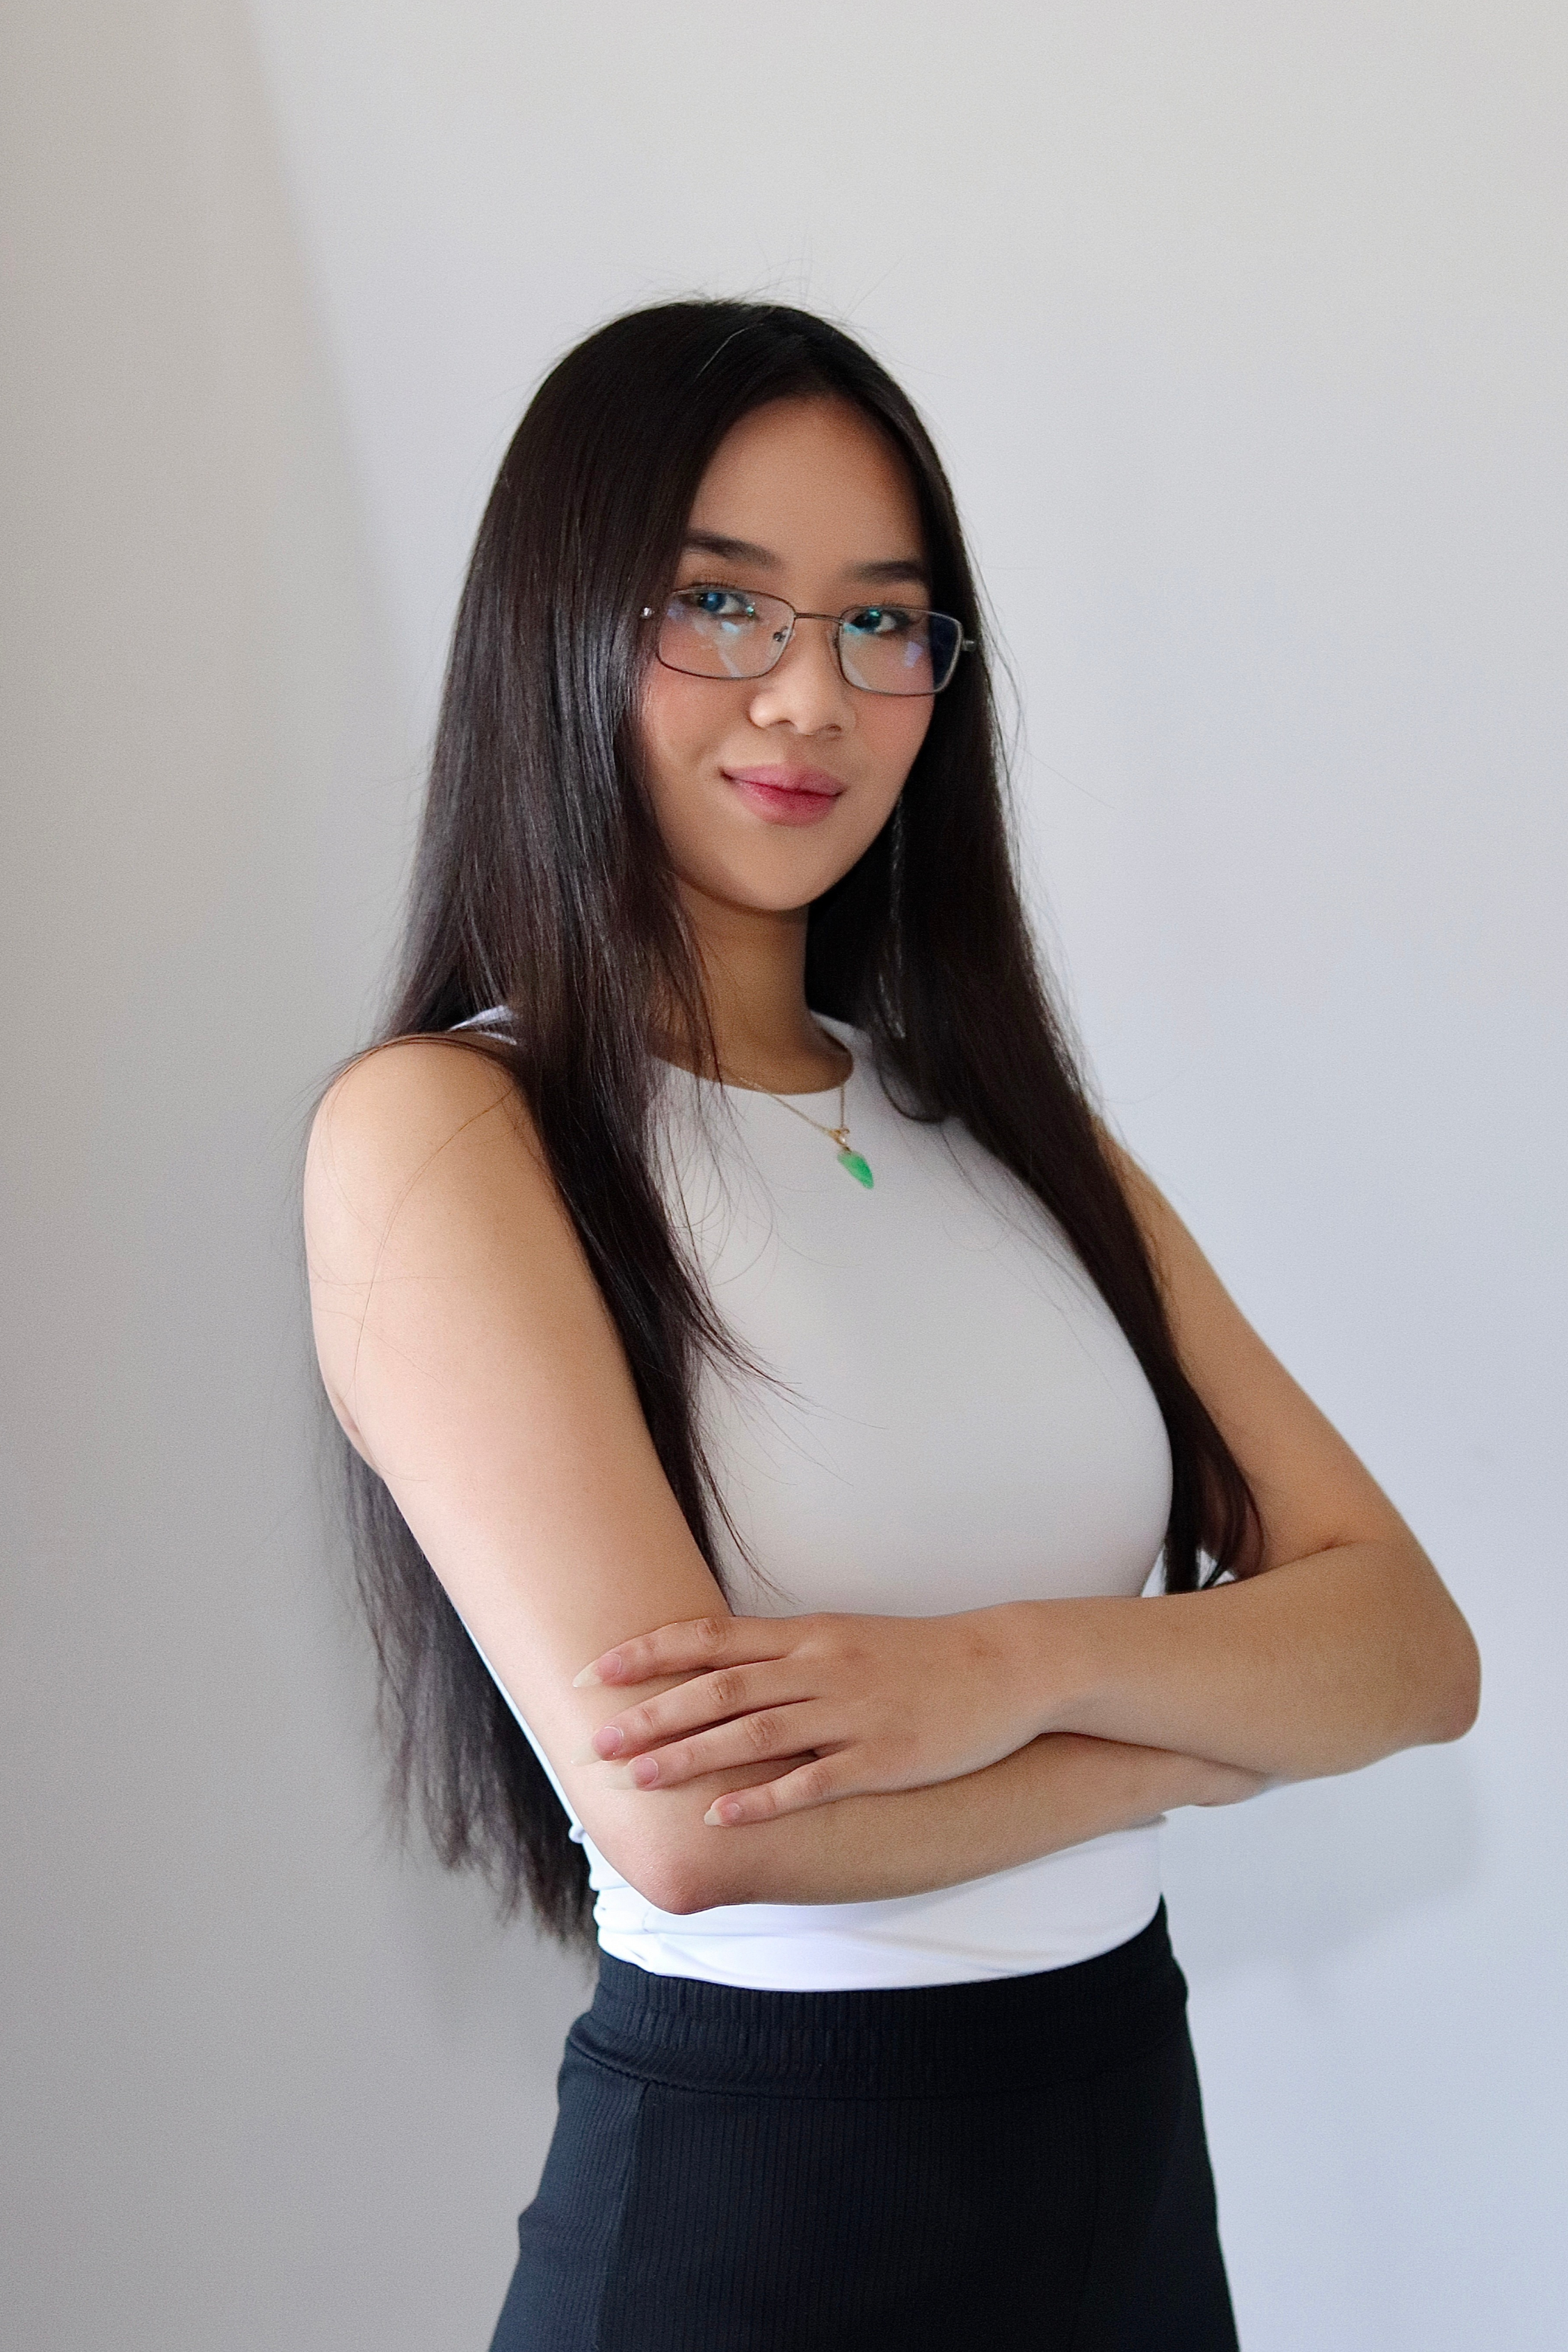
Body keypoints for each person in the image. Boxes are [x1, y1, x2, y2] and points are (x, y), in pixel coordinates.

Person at [303, 300, 1480, 2351]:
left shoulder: (1005, 1129)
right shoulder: (446, 1131)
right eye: (717, 605)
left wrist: (1001, 1676)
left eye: (882, 623)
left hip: (1119, 2164)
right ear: (559, 625)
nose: (810, 698)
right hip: (754, 2219)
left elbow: (1410, 1650)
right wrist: (1200, 1735)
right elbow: (693, 1825)